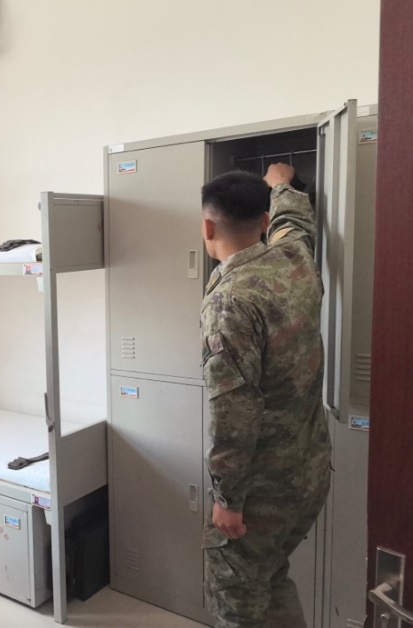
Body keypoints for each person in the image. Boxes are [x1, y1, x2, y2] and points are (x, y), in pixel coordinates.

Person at [200, 163, 332, 628]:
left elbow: (233, 411)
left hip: (260, 491)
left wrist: (228, 498)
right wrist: (281, 186)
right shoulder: (295, 260)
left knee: (239, 605)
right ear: (263, 221)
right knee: (271, 579)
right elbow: (295, 223)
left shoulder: (230, 301)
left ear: (207, 227)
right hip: (308, 473)